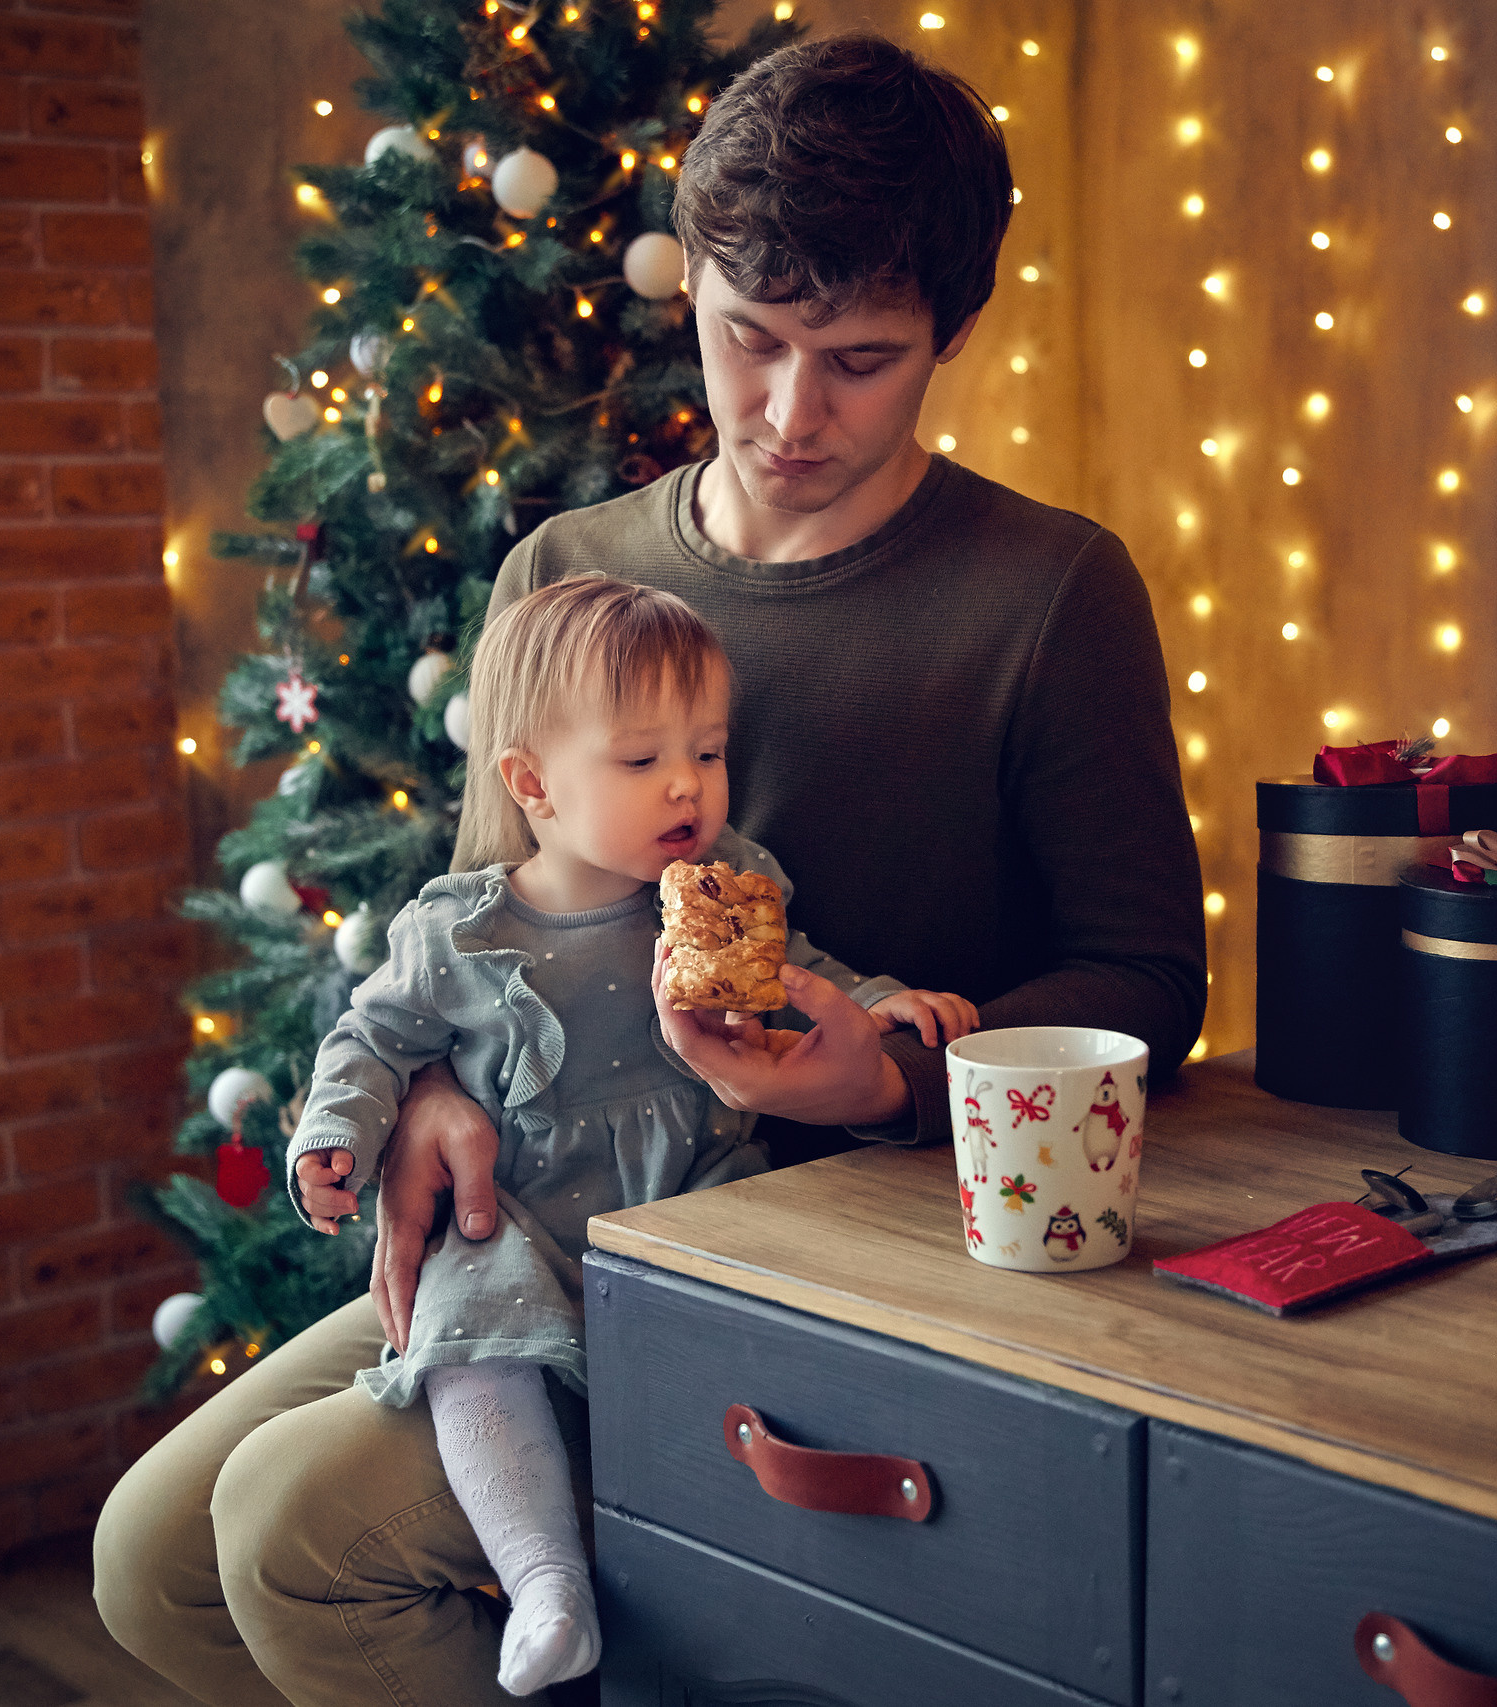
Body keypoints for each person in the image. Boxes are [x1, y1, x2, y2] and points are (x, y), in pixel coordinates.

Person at [96, 34, 1202, 1704]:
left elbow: (1146, 982)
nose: (787, 411)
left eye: (861, 360)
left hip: (808, 1243)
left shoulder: (1048, 590)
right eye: (748, 337)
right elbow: (489, 910)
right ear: (689, 280)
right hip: (538, 1206)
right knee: (148, 1560)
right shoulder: (569, 568)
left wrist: (887, 1071)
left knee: (290, 1531)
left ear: (953, 335)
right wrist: (435, 1100)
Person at [276, 577, 973, 1695]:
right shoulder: (461, 927)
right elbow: (371, 1038)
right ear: (532, 784)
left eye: (708, 750)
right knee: (471, 1362)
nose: (688, 786)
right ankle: (546, 1581)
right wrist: (337, 1135)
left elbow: (806, 977)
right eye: (641, 761)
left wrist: (885, 1004)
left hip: (690, 1196)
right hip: (519, 1214)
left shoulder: (729, 887)